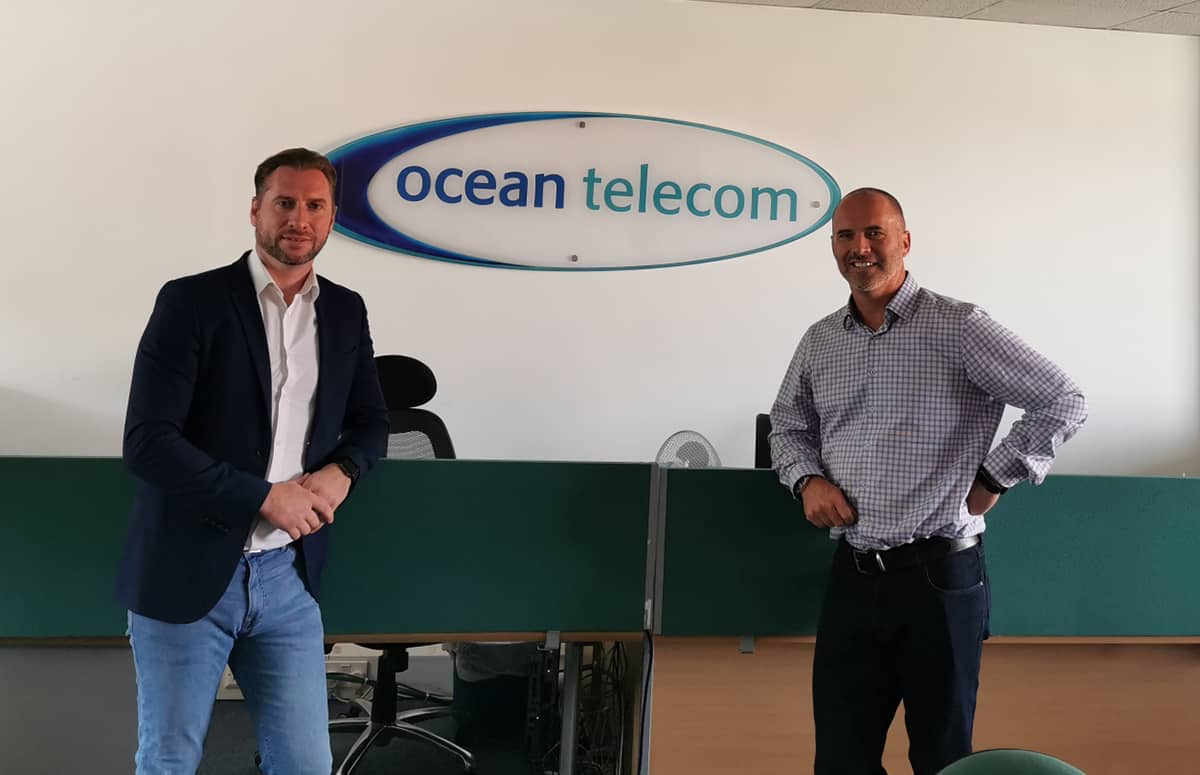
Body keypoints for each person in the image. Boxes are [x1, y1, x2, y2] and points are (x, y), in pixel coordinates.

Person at [768, 188, 1087, 775]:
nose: (860, 247)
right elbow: (787, 426)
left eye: (875, 233)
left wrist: (995, 475)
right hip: (853, 575)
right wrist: (807, 479)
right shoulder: (820, 340)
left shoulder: (959, 326)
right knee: (840, 760)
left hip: (940, 578)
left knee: (941, 759)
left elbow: (1062, 399)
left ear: (905, 242)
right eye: (845, 236)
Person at [117, 147, 389, 773]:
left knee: (305, 763)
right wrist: (264, 496)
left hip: (286, 578)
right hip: (184, 569)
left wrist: (343, 471)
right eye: (284, 203)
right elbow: (148, 442)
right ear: (255, 210)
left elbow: (372, 420)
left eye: (315, 205)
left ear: (332, 216)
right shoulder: (192, 301)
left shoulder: (344, 310)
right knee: (169, 760)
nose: (299, 219)